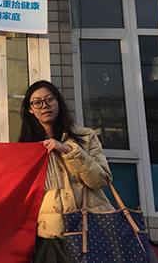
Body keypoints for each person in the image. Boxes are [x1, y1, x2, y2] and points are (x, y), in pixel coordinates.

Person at [18, 80, 113, 263]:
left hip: (91, 229)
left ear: (58, 101)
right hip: (49, 235)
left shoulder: (86, 137)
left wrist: (69, 151)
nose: (45, 106)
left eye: (49, 99)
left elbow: (101, 180)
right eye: (37, 102)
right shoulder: (26, 149)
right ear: (30, 109)